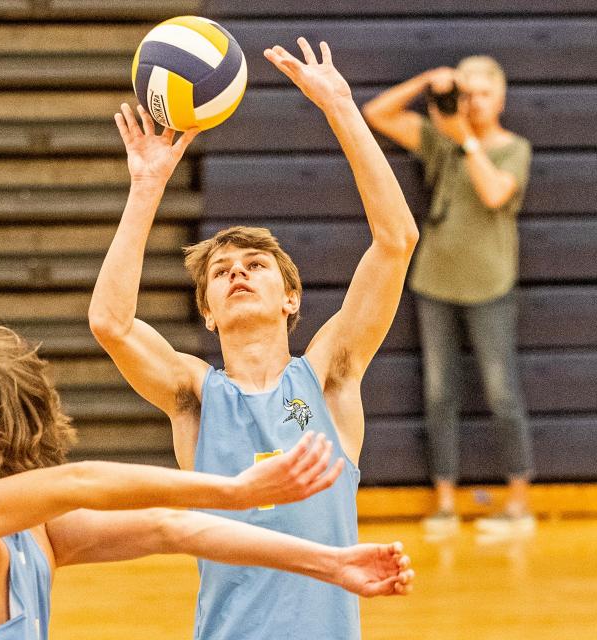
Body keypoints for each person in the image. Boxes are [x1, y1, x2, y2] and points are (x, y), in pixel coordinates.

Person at [89, 38, 418, 640]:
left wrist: (341, 108)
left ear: (291, 299)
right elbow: (111, 324)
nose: (237, 271)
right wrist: (146, 189)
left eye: (256, 264)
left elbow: (396, 241)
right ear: (208, 314)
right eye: (221, 271)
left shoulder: (328, 375)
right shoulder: (194, 394)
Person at [0, 309, 414, 639]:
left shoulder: (34, 530)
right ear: (37, 420)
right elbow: (78, 482)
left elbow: (175, 528)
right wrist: (235, 490)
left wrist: (329, 564)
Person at [362, 56, 535, 535]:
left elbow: (496, 194)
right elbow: (376, 113)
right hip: (435, 280)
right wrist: (426, 81)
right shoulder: (440, 140)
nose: (472, 102)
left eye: (481, 94)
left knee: (501, 392)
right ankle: (445, 502)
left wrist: (467, 139)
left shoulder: (512, 148)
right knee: (439, 394)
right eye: (466, 92)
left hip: (490, 282)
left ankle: (518, 504)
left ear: (500, 98)